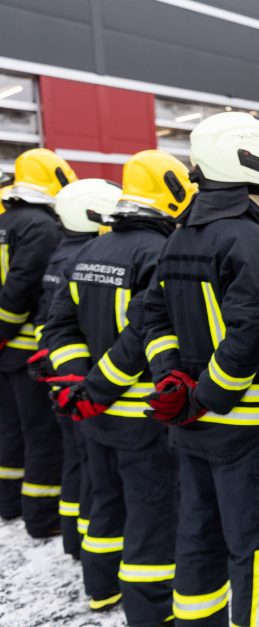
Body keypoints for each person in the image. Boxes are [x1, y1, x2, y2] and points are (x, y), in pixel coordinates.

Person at [142, 112, 259, 625]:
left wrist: (172, 382)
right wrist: (206, 396)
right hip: (245, 434)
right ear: (245, 164)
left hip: (190, 429)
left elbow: (152, 315)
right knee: (257, 547)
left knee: (198, 541)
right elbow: (251, 334)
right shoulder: (250, 241)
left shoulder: (180, 236)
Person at [43, 152, 193, 619]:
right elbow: (144, 331)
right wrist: (101, 386)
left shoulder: (88, 250)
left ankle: (101, 586)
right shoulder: (160, 253)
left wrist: (78, 383)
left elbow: (59, 328)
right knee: (152, 513)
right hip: (141, 415)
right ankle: (151, 610)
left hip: (93, 414)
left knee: (104, 500)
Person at [25, 179, 119, 562]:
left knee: (76, 462)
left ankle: (75, 541)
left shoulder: (63, 254)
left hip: (63, 377)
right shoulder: (85, 256)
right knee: (91, 470)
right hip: (83, 383)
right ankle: (82, 544)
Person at [0, 148, 75, 538]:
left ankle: (9, 501)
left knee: (10, 429)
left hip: (5, 349)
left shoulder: (4, 219)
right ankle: (42, 516)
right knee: (42, 435)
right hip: (26, 347)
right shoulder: (41, 226)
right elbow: (23, 287)